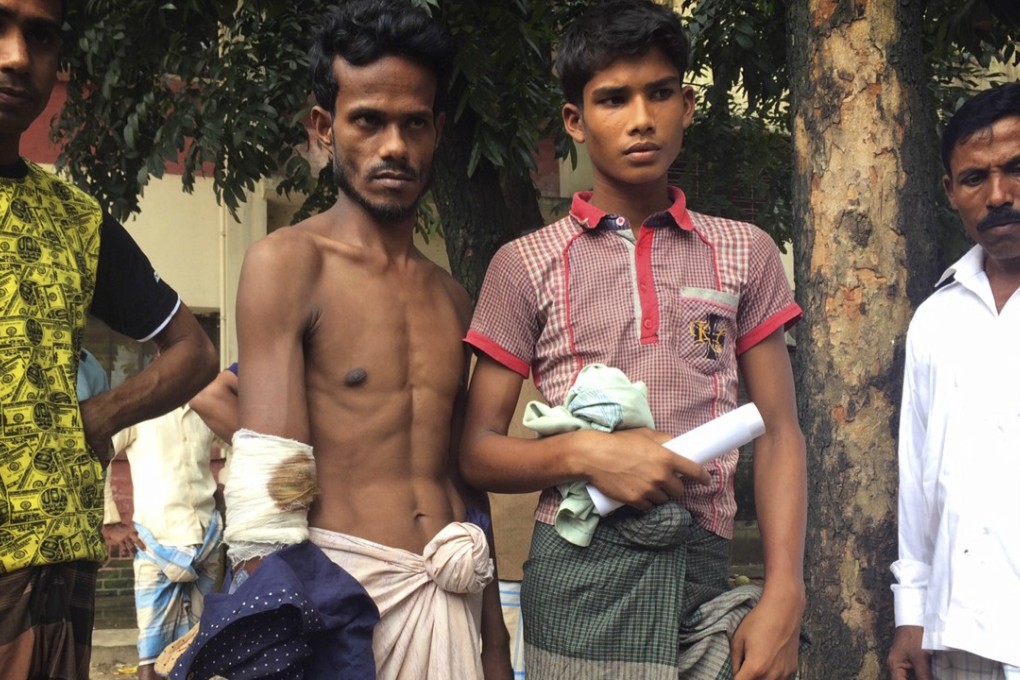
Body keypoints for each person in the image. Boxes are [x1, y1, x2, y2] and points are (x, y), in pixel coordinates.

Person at [460, 1, 807, 678]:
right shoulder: (525, 263)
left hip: (706, 574)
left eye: (659, 93)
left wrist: (784, 593)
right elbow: (475, 452)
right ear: (575, 121)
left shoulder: (745, 253)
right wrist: (591, 453)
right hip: (578, 574)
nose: (641, 118)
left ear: (688, 103)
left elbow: (780, 431)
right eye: (613, 99)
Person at [227, 1, 511, 677]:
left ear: (438, 131)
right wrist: (280, 646)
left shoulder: (451, 298)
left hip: (448, 600)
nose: (394, 146)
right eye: (369, 121)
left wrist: (496, 639)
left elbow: (463, 480)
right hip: (336, 609)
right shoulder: (288, 264)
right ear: (325, 128)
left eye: (415, 124)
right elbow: (272, 494)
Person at [0, 1, 219, 677]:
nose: (16, 56)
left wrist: (102, 414)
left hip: (41, 579)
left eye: (39, 35)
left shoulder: (74, 221)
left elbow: (194, 352)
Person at [888, 82, 1020, 680]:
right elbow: (919, 479)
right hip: (961, 631)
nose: (999, 196)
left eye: (1017, 170)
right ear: (949, 192)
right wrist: (911, 615)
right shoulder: (936, 319)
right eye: (975, 179)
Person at [101, 404, 224, 680]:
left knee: (197, 648)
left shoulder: (206, 406)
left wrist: (224, 486)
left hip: (205, 542)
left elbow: (242, 440)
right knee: (152, 652)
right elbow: (99, 454)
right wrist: (110, 522)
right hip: (155, 544)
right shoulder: (140, 408)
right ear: (159, 356)